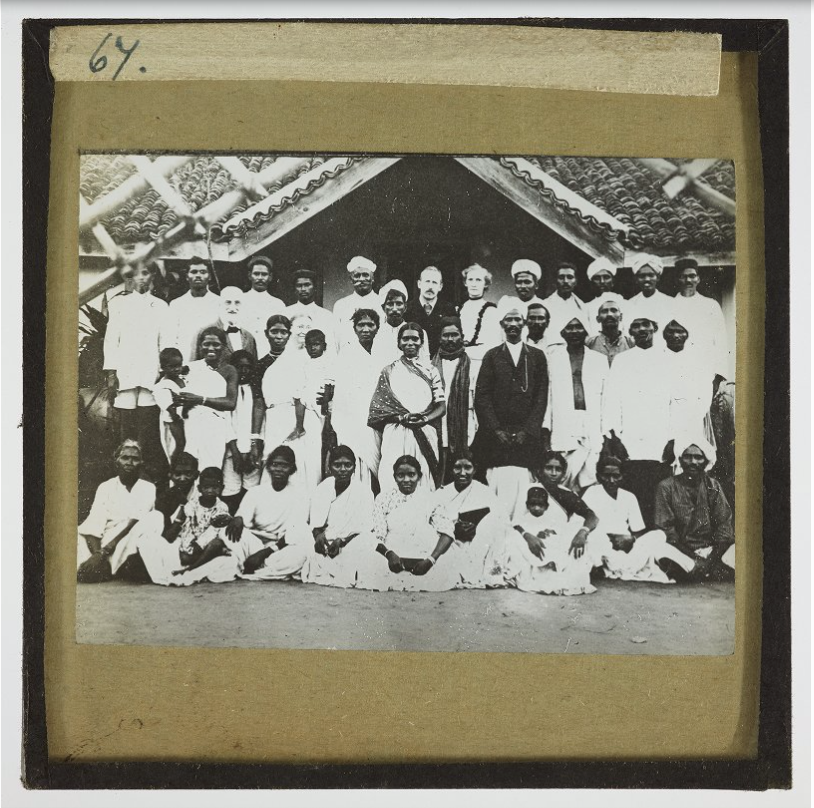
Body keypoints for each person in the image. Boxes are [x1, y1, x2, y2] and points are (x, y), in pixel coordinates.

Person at [471, 299, 549, 520]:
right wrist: (496, 430)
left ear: (524, 323)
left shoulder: (536, 356)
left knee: (524, 486)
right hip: (497, 437)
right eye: (508, 319)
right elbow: (482, 396)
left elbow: (541, 397)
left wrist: (528, 430)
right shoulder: (492, 355)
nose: (513, 323)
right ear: (502, 324)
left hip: (526, 436)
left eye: (517, 319)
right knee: (495, 486)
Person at [602, 317, 676, 527]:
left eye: (646, 325)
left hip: (660, 439)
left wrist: (673, 440)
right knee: (632, 490)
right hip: (630, 438)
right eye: (636, 326)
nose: (642, 330)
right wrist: (614, 436)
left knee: (659, 491)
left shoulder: (668, 358)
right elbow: (612, 399)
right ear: (630, 331)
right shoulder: (622, 360)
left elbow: (676, 401)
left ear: (655, 328)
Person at [582, 456, 695, 583]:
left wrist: (630, 539)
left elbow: (638, 532)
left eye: (616, 476)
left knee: (658, 535)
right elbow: (586, 522)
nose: (611, 480)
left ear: (622, 477)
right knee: (595, 539)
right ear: (598, 477)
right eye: (606, 476)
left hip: (628, 547)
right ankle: (673, 566)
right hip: (603, 547)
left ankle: (688, 568)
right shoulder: (592, 493)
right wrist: (609, 539)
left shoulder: (629, 497)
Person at [356, 455, 461, 592]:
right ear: (394, 477)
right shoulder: (383, 499)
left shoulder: (430, 498)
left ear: (419, 476)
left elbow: (446, 531)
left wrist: (430, 560)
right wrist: (389, 554)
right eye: (401, 475)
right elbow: (378, 535)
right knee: (370, 562)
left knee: (447, 561)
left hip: (424, 553)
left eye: (411, 475)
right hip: (392, 553)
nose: (406, 480)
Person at [368, 322, 447, 493]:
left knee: (423, 477)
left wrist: (424, 419)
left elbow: (441, 407)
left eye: (414, 339)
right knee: (391, 477)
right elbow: (378, 409)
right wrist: (400, 418)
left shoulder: (431, 370)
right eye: (405, 339)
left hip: (424, 430)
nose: (410, 343)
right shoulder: (388, 371)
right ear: (399, 343)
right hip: (396, 431)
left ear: (421, 342)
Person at [103, 263, 168, 458]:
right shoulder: (119, 304)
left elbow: (165, 340)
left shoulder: (161, 306)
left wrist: (163, 371)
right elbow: (111, 338)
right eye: (136, 274)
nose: (141, 278)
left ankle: (142, 462)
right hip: (126, 370)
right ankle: (124, 461)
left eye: (145, 273)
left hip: (151, 370)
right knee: (126, 419)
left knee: (146, 420)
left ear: (152, 276)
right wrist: (112, 372)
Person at [487, 485, 596, 596]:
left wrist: (549, 533)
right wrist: (529, 534)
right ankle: (541, 571)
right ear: (527, 505)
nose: (537, 508)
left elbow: (557, 531)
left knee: (559, 544)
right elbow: (518, 528)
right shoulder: (525, 518)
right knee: (517, 541)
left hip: (548, 544)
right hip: (532, 547)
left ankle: (553, 567)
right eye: (533, 504)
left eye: (540, 505)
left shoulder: (551, 518)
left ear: (546, 506)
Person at [225, 445, 311, 581]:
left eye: (284, 466)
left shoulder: (300, 494)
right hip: (255, 544)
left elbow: (297, 531)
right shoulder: (255, 492)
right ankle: (267, 570)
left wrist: (264, 554)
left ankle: (252, 568)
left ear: (292, 469)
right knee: (226, 532)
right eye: (275, 464)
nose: (279, 469)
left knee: (301, 553)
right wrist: (238, 518)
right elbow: (241, 517)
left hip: (281, 548)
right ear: (268, 467)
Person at [654, 440, 735, 582]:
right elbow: (667, 531)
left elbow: (724, 527)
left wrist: (709, 561)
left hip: (712, 551)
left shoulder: (713, 486)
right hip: (682, 551)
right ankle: (705, 571)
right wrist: (697, 559)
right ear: (680, 459)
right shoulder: (666, 487)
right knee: (659, 548)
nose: (692, 461)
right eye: (688, 457)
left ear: (706, 461)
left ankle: (701, 572)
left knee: (742, 550)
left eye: (698, 457)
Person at [545, 314, 608, 490]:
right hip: (563, 424)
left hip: (591, 424)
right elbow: (547, 396)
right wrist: (546, 428)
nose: (574, 331)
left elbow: (606, 398)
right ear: (562, 332)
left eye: (578, 327)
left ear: (586, 331)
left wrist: (606, 430)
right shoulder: (552, 358)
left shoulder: (599, 359)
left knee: (590, 477)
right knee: (563, 478)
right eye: (569, 328)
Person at [77, 439, 156, 581]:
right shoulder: (105, 487)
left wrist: (103, 553)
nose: (129, 463)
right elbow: (95, 521)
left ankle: (107, 567)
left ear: (141, 463)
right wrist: (97, 553)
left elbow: (134, 522)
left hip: (127, 538)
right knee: (75, 536)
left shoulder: (148, 488)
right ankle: (101, 567)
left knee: (152, 520)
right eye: (125, 458)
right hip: (103, 540)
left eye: (135, 459)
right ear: (117, 461)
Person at [300, 445, 377, 589]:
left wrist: (342, 541)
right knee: (304, 541)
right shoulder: (323, 488)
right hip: (327, 542)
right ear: (330, 467)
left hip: (351, 542)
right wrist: (318, 536)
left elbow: (366, 528)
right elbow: (316, 525)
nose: (342, 470)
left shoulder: (364, 492)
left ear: (354, 467)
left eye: (347, 465)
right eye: (337, 465)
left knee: (367, 542)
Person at [433, 450, 511, 588]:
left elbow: (502, 519)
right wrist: (453, 529)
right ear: (451, 469)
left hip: (478, 543)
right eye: (457, 467)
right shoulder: (441, 494)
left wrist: (479, 528)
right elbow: (431, 522)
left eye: (467, 467)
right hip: (451, 543)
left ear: (475, 469)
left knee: (495, 522)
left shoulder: (485, 492)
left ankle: (488, 574)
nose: (462, 473)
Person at [331, 308, 384, 489]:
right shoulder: (346, 353)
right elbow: (341, 392)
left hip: (375, 420)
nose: (366, 329)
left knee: (375, 465)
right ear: (354, 329)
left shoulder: (382, 353)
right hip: (352, 421)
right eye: (361, 325)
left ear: (378, 327)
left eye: (370, 324)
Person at [173, 326, 238, 472]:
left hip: (215, 429)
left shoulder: (230, 371)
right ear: (200, 346)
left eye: (216, 344)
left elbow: (230, 402)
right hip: (190, 426)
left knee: (209, 471)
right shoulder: (190, 368)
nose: (211, 348)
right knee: (186, 470)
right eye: (206, 344)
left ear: (224, 346)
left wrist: (199, 400)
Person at [431, 317, 478, 481]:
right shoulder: (430, 366)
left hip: (465, 430)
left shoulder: (473, 365)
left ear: (462, 336)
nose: (450, 339)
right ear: (439, 338)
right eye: (445, 335)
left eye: (454, 335)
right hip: (438, 428)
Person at [671, 257, 729, 385]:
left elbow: (721, 342)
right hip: (675, 372)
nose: (688, 280)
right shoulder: (669, 306)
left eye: (692, 276)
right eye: (683, 276)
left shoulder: (710, 306)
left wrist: (719, 375)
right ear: (677, 279)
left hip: (704, 373)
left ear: (698, 279)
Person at [661, 319, 716, 446]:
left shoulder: (697, 362)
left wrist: (694, 416)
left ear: (687, 334)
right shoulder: (657, 360)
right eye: (671, 332)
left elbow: (704, 394)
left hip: (690, 419)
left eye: (680, 332)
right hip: (664, 419)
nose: (675, 336)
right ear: (664, 335)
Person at [249, 314, 292, 471]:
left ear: (289, 335)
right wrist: (254, 441)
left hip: (296, 420)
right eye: (274, 332)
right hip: (273, 421)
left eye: (283, 332)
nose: (279, 337)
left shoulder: (299, 361)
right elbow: (259, 404)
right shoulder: (260, 366)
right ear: (266, 333)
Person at [222, 350, 262, 511]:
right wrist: (235, 451)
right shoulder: (227, 391)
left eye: (247, 367)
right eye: (239, 367)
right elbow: (226, 421)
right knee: (230, 490)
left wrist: (254, 446)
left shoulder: (256, 391)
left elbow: (260, 420)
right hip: (232, 452)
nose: (244, 371)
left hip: (252, 451)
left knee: (251, 491)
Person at [164, 256, 222, 363]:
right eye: (194, 272)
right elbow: (170, 338)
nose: (198, 275)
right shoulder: (176, 305)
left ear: (209, 277)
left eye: (203, 272)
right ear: (187, 277)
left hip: (212, 360)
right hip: (185, 359)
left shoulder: (220, 303)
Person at [372, 279, 430, 366]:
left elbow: (425, 365)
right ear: (383, 307)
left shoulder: (419, 333)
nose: (395, 309)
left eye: (399, 304)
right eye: (390, 304)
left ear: (405, 307)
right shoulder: (375, 334)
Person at [404, 266, 458, 356]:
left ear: (440, 286)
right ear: (419, 284)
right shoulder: (408, 309)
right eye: (427, 281)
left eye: (434, 282)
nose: (430, 286)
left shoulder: (449, 310)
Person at [195, 286, 257, 362]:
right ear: (220, 304)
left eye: (237, 303)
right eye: (228, 302)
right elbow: (196, 365)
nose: (232, 308)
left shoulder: (249, 337)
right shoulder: (205, 332)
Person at [333, 255, 384, 346]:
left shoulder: (382, 303)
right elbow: (336, 337)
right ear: (351, 279)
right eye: (357, 276)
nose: (361, 279)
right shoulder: (341, 305)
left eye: (365, 275)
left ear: (372, 278)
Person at [285, 268, 336, 356]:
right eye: (299, 285)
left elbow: (330, 346)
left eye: (307, 285)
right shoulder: (286, 314)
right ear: (294, 289)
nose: (303, 289)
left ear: (315, 287)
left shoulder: (327, 316)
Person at [152, 347, 188, 464]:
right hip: (173, 419)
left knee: (187, 444)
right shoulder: (162, 386)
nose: (176, 369)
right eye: (172, 367)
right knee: (179, 443)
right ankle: (173, 466)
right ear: (163, 367)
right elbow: (170, 408)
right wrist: (177, 417)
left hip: (184, 417)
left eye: (179, 365)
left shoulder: (183, 379)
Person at [458, 264, 502, 360]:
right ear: (465, 283)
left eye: (478, 280)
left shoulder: (491, 311)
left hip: (480, 362)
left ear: (485, 284)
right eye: (470, 280)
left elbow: (492, 346)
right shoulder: (458, 309)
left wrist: (461, 351)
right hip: (458, 362)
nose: (474, 284)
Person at [241, 255, 285, 349]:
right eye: (256, 274)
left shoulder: (278, 304)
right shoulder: (240, 300)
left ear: (270, 277)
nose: (260, 278)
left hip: (267, 351)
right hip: (243, 352)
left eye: (264, 274)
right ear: (250, 276)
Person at [542, 262, 588, 347]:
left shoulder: (583, 307)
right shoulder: (545, 305)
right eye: (561, 277)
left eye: (570, 277)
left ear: (576, 281)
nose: (566, 281)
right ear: (555, 280)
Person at [625, 253, 675, 328]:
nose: (647, 279)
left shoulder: (670, 302)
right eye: (642, 276)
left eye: (651, 275)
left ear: (658, 278)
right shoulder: (631, 304)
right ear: (636, 279)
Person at [584, 257, 626, 336]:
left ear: (613, 282)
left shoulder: (625, 304)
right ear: (591, 283)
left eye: (606, 277)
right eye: (597, 278)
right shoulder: (586, 308)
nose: (602, 281)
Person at [585, 299, 634, 366]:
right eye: (604, 311)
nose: (609, 314)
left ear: (621, 317)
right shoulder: (589, 343)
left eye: (613, 310)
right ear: (598, 319)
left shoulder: (631, 343)